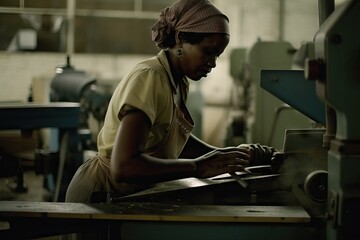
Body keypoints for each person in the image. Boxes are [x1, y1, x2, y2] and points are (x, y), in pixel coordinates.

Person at [65, 0, 276, 203]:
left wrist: (224, 156)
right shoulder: (150, 77)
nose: (212, 63)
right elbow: (124, 166)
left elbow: (170, 140)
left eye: (217, 55)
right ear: (180, 40)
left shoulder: (178, 82)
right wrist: (197, 167)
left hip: (131, 193)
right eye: (208, 52)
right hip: (101, 193)